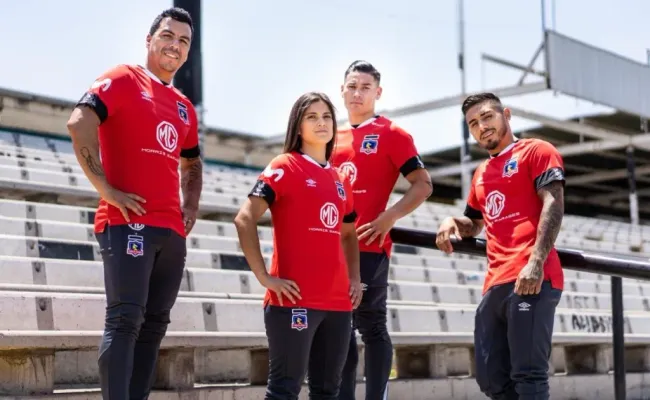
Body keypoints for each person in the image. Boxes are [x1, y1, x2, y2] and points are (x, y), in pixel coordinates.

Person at [66, 7, 203, 400]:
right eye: (167, 36)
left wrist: (189, 205)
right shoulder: (124, 78)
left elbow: (192, 162)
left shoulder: (183, 106)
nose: (174, 45)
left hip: (171, 230)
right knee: (125, 319)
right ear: (149, 40)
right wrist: (105, 188)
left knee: (156, 323)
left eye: (183, 41)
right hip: (126, 222)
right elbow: (79, 123)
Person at [234, 92, 364, 400]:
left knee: (328, 392)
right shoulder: (284, 166)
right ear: (298, 126)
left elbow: (348, 234)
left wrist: (355, 278)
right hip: (293, 300)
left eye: (327, 117)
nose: (321, 123)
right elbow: (244, 219)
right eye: (312, 117)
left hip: (337, 304)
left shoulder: (339, 179)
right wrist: (265, 278)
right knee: (283, 391)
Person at [436, 92, 565, 400]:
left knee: (529, 376)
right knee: (490, 377)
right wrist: (452, 222)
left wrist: (535, 263)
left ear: (506, 114)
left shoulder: (537, 150)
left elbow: (553, 203)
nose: (482, 127)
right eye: (473, 123)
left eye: (487, 117)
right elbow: (475, 223)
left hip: (533, 278)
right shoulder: (481, 173)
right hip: (495, 282)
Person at [331, 60, 433, 400]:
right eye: (351, 86)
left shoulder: (392, 134)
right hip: (331, 251)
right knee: (338, 331)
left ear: (378, 92)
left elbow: (423, 185)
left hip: (369, 248)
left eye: (365, 87)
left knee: (371, 326)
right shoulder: (329, 136)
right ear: (342, 90)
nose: (357, 93)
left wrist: (389, 216)